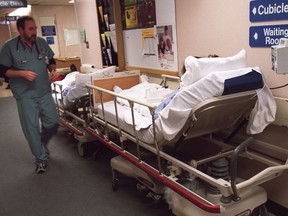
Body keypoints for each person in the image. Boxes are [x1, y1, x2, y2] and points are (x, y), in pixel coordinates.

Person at [0, 16, 59, 174]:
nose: (34, 32)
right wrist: (21, 73)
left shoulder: (41, 43)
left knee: (53, 122)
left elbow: (51, 60)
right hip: (25, 95)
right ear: (20, 30)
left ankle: (41, 143)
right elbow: (2, 70)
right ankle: (40, 159)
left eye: (35, 28)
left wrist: (53, 70)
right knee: (31, 129)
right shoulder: (9, 47)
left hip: (44, 91)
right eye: (30, 29)